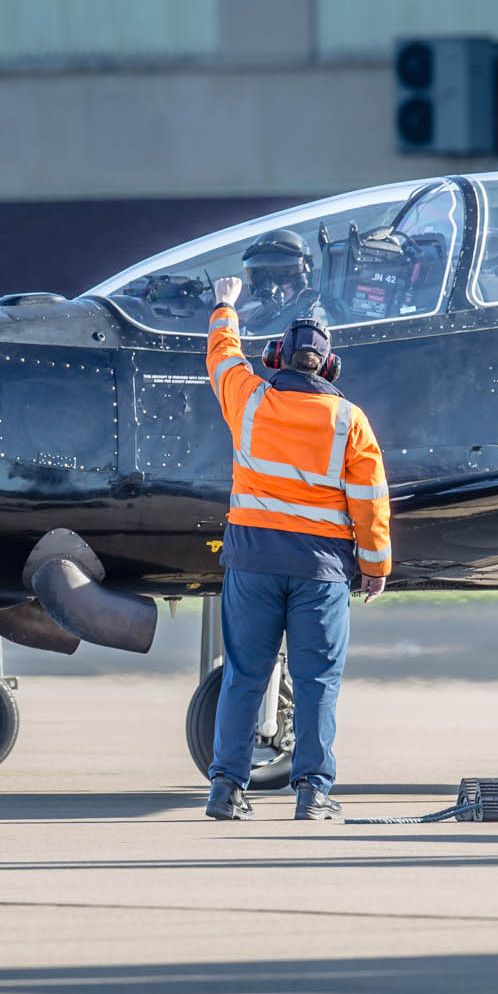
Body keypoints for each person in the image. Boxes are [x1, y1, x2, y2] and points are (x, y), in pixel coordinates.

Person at [202, 274, 390, 821]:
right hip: (321, 572)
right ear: (329, 368)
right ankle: (312, 794)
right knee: (316, 683)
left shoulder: (250, 400)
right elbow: (371, 503)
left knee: (245, 675)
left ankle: (226, 791)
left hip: (252, 564)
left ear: (277, 357)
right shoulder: (350, 422)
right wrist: (375, 568)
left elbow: (221, 357)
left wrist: (225, 306)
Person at [238, 228, 327, 331]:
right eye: (261, 274)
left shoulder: (313, 314)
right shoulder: (259, 313)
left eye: (281, 274)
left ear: (303, 274)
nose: (270, 282)